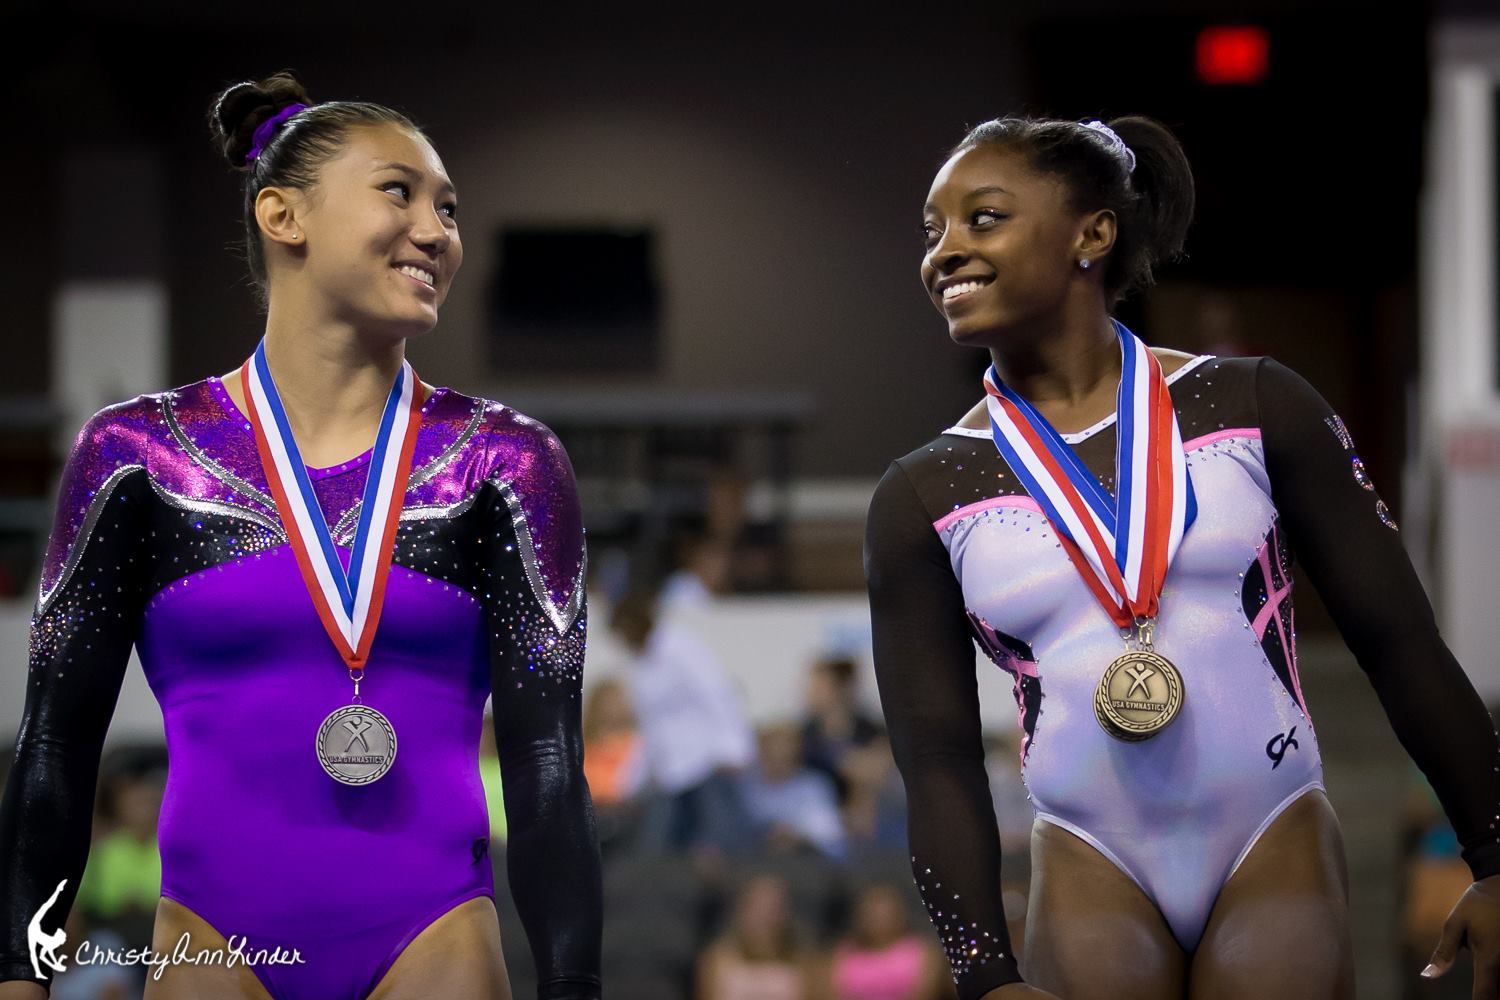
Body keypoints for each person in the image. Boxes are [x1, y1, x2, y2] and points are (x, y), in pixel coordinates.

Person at [863, 113, 1500, 1000]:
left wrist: (1496, 851)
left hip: (1268, 833)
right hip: (1090, 855)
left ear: (1093, 232)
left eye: (984, 217)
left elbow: (1398, 641)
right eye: (932, 232)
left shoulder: (1253, 405)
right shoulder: (924, 493)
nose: (945, 252)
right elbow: (935, 757)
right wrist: (981, 972)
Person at [0, 71, 602, 999]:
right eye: (399, 191)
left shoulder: (504, 462)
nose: (439, 231)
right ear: (285, 216)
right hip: (210, 939)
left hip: (434, 935)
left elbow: (547, 762)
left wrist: (575, 989)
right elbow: (55, 748)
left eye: (449, 208)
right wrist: (20, 976)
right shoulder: (138, 454)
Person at [696, 875, 815, 1000]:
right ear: (743, 911)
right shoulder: (717, 960)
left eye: (773, 909)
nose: (765, 917)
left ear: (785, 914)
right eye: (758, 907)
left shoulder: (803, 963)